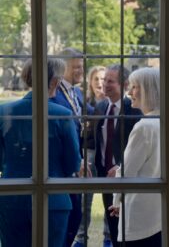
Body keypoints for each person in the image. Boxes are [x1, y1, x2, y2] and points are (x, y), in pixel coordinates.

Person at [0, 58, 81, 247]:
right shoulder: (62, 114)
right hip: (53, 200)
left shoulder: (4, 111)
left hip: (10, 197)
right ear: (54, 82)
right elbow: (72, 164)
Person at [109, 67, 162, 247]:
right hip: (159, 213)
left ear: (149, 89)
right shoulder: (165, 121)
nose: (129, 92)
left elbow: (126, 172)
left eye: (134, 87)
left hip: (140, 215)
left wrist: (116, 201)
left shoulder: (144, 127)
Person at [94, 64, 142, 247]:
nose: (105, 84)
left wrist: (121, 167)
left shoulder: (134, 108)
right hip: (105, 177)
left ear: (124, 84)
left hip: (127, 176)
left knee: (127, 230)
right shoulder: (101, 107)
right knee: (113, 229)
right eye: (104, 80)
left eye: (110, 81)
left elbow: (136, 145)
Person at [52, 47, 93, 246]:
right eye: (76, 67)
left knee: (76, 216)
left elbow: (88, 117)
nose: (80, 70)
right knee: (67, 219)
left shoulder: (77, 92)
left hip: (78, 165)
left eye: (81, 66)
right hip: (62, 167)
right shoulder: (52, 94)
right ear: (63, 67)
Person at [74, 65, 112, 247]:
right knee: (85, 199)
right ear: (90, 82)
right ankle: (81, 238)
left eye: (103, 79)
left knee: (111, 196)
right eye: (96, 79)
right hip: (88, 154)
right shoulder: (84, 102)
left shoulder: (113, 104)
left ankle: (108, 237)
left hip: (108, 155)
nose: (100, 83)